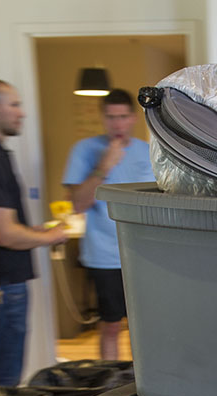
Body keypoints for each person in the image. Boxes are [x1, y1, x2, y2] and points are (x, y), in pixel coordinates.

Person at [0, 79, 69, 387]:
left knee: (0, 374)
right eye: (15, 105)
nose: (22, 113)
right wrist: (50, 238)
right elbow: (3, 234)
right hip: (1, 288)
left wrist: (34, 231)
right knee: (3, 383)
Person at [62, 88, 154, 360]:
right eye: (111, 117)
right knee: (111, 325)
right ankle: (110, 385)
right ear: (103, 118)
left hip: (145, 256)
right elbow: (77, 205)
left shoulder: (147, 152)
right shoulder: (84, 150)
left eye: (123, 116)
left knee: (149, 327)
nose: (118, 124)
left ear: (133, 118)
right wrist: (104, 167)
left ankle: (149, 384)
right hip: (104, 255)